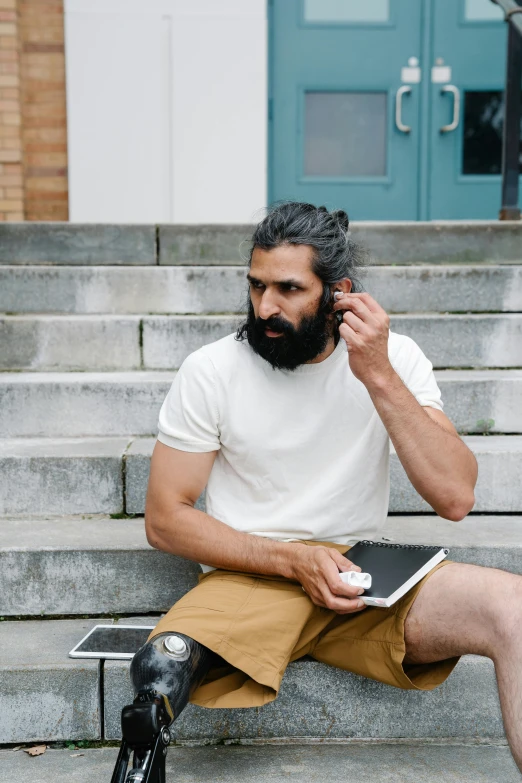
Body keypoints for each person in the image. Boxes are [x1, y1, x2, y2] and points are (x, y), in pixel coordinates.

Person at [144, 202, 522, 770]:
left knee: (511, 606)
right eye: (256, 286)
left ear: (338, 292)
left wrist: (377, 374)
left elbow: (455, 496)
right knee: (162, 668)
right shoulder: (212, 369)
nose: (265, 307)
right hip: (253, 576)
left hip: (363, 586)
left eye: (289, 289)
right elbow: (165, 519)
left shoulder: (393, 361)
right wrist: (295, 560)